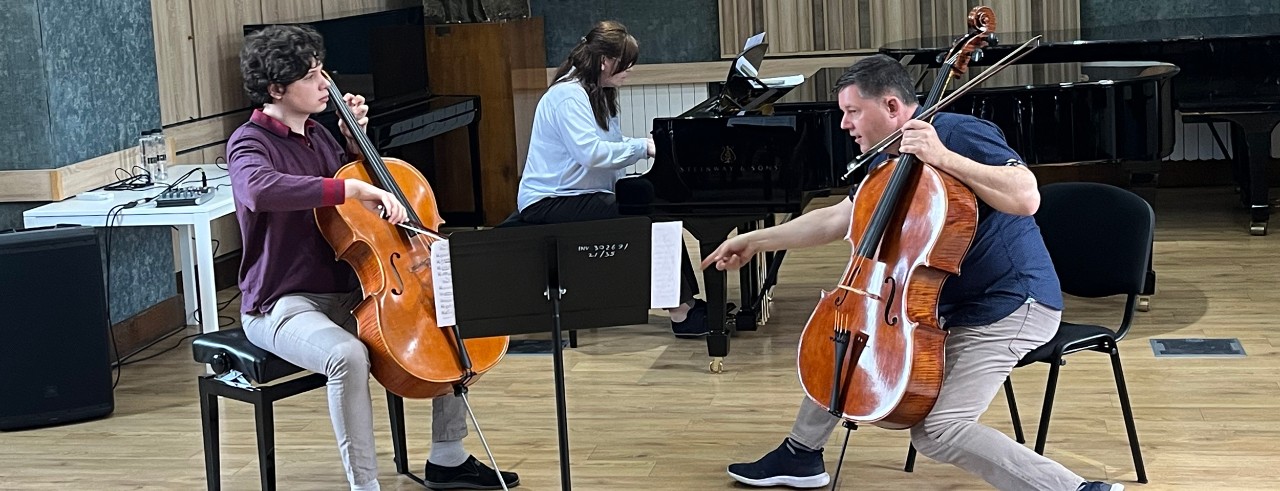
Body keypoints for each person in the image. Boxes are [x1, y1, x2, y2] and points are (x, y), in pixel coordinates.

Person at [704, 55, 1124, 491]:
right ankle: (801, 455)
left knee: (939, 430)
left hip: (1012, 304)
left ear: (890, 106)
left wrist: (942, 156)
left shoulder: (958, 131)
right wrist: (754, 241)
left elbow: (1026, 195)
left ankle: (1077, 489)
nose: (845, 124)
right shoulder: (884, 158)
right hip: (940, 306)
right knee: (841, 341)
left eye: (852, 111)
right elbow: (839, 218)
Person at [228, 25, 518, 491]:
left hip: (354, 291)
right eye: (310, 76)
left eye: (323, 72)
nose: (325, 84)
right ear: (276, 88)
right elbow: (259, 190)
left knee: (450, 308)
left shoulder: (319, 139)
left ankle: (448, 455)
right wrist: (350, 186)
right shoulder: (249, 143)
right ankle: (366, 485)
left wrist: (350, 143)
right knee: (346, 355)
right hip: (281, 303)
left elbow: (357, 224)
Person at [502, 20, 709, 338]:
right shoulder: (568, 97)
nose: (630, 72)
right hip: (549, 201)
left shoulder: (597, 93)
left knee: (654, 202)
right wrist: (643, 147)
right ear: (604, 62)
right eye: (626, 65)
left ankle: (687, 303)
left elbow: (608, 153)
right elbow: (593, 154)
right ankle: (681, 314)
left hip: (577, 195)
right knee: (644, 214)